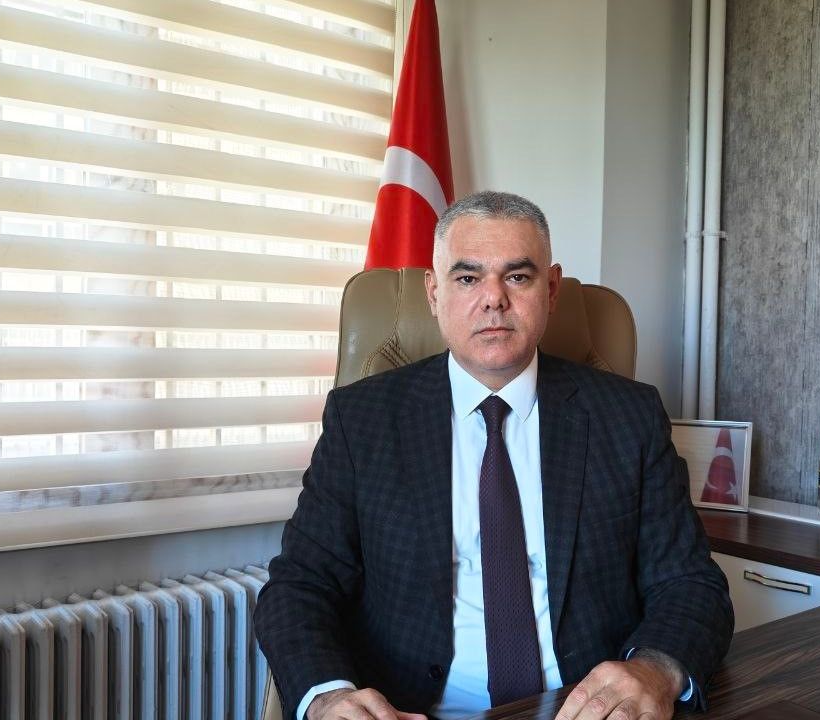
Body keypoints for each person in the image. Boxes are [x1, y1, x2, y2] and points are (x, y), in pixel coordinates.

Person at [255, 191, 732, 720]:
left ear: (551, 289)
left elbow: (690, 582)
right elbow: (300, 585)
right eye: (467, 278)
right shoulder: (362, 419)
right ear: (433, 293)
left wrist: (655, 669)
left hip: (584, 710)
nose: (493, 299)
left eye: (518, 276)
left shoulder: (629, 416)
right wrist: (328, 697)